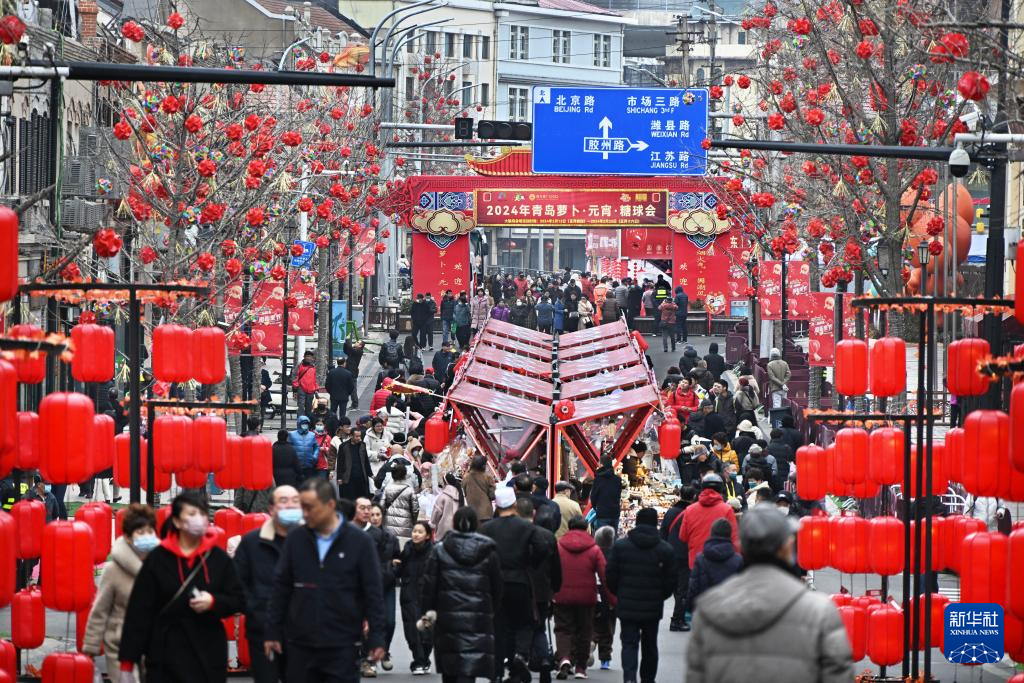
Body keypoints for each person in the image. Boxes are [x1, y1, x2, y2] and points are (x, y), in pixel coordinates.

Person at [686, 505, 855, 683]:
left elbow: (696, 676)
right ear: (788, 546)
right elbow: (838, 676)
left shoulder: (709, 609)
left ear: (741, 546)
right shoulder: (820, 611)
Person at [265, 479, 386, 683]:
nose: (304, 513)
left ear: (330, 505)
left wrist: (377, 637)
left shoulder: (359, 542)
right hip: (300, 643)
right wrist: (272, 630)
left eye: (310, 507)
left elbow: (372, 591)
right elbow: (281, 587)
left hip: (343, 644)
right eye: (302, 507)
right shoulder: (296, 539)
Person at [117, 491, 244, 682]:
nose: (198, 520)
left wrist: (214, 602)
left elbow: (239, 599)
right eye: (191, 514)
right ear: (176, 521)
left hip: (207, 652)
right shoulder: (158, 559)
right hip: (165, 653)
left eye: (202, 514)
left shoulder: (218, 558)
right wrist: (128, 660)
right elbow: (139, 611)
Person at [421, 507, 504, 683]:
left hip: (447, 617)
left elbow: (429, 585)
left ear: (453, 523)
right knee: (469, 669)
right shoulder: (488, 550)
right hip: (478, 616)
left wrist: (428, 610)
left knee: (450, 667)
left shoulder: (440, 550)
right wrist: (490, 610)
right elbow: (497, 587)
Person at [480, 488, 550, 683]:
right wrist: (530, 561)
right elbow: (542, 547)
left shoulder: (487, 528)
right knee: (524, 622)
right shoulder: (526, 527)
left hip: (496, 583)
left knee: (500, 626)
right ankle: (520, 655)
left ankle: (498, 669)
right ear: (514, 505)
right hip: (520, 580)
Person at [233, 486, 302, 683]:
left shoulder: (311, 542)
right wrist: (255, 609)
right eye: (283, 501)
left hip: (302, 635)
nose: (289, 506)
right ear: (271, 508)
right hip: (261, 631)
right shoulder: (252, 543)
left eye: (294, 501)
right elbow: (238, 584)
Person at [82, 504, 158, 678]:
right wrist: (91, 648)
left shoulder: (162, 565)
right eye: (140, 533)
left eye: (149, 531)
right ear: (129, 538)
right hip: (120, 646)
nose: (146, 537)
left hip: (155, 647)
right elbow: (100, 611)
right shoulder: (113, 570)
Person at [605, 508, 676, 683]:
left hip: (627, 603)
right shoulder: (665, 549)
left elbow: (611, 575)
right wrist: (660, 595)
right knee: (650, 644)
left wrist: (619, 592)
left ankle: (629, 678)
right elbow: (671, 580)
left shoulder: (621, 547)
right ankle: (648, 679)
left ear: (636, 522)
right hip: (652, 606)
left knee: (629, 643)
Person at [553, 516, 609, 680]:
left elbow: (552, 570)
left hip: (562, 594)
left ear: (569, 528)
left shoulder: (559, 546)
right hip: (587, 597)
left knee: (563, 629)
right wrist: (612, 599)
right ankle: (580, 667)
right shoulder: (594, 549)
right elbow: (604, 575)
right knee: (585, 631)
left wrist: (551, 593)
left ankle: (564, 658)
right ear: (586, 529)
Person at [366, 504, 401, 676]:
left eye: (377, 514)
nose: (375, 517)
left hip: (387, 585)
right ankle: (369, 657)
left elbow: (398, 560)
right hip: (368, 587)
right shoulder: (363, 538)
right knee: (369, 624)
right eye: (371, 514)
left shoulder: (391, 538)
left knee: (390, 621)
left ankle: (385, 650)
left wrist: (392, 570)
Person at [396, 521, 434, 675]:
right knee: (411, 631)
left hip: (427, 597)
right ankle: (418, 661)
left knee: (427, 632)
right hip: (409, 595)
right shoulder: (407, 550)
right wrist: (394, 566)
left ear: (427, 536)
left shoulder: (434, 552)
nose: (416, 534)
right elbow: (398, 571)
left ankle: (424, 659)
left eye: (420, 532)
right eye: (414, 531)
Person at [678, 474, 739, 569]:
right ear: (720, 488)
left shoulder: (690, 509)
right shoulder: (727, 509)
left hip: (696, 562)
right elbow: (734, 539)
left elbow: (683, 537)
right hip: (720, 563)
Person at [686, 518, 742, 616]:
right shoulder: (738, 560)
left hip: (705, 612)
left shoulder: (701, 558)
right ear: (730, 534)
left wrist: (690, 607)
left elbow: (694, 586)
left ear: (712, 532)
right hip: (730, 613)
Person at [659, 486, 696, 632]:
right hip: (685, 554)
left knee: (676, 587)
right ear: (693, 497)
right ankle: (677, 619)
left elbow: (663, 532)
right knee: (683, 588)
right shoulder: (692, 512)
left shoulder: (671, 512)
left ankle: (678, 613)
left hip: (670, 553)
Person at [591, 526, 616, 671]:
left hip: (594, 593)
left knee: (591, 623)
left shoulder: (593, 553)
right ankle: (605, 658)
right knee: (608, 627)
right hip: (610, 595)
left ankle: (592, 640)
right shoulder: (615, 555)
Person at [381, 464, 419, 540]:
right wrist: (413, 521)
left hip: (388, 525)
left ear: (392, 475)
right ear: (405, 475)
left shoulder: (387, 489)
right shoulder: (410, 490)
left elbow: (381, 506)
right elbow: (415, 510)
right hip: (406, 525)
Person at [337, 427, 373, 503]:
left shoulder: (362, 445)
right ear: (351, 436)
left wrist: (370, 474)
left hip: (361, 477)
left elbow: (366, 460)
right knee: (349, 500)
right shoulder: (343, 446)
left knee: (362, 499)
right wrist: (339, 477)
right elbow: (340, 463)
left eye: (360, 436)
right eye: (356, 436)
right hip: (348, 477)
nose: (359, 438)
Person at [588, 456, 622, 532]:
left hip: (602, 513)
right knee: (612, 538)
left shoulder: (598, 479)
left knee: (602, 538)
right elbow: (619, 495)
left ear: (602, 465)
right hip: (614, 513)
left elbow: (593, 496)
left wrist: (596, 507)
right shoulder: (617, 479)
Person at [431, 472, 464, 541]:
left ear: (445, 482)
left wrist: (433, 524)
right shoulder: (460, 494)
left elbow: (436, 512)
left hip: (444, 529)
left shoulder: (443, 496)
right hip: (459, 528)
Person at [463, 454, 496, 522]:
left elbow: (464, 492)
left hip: (472, 514)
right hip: (486, 513)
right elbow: (492, 496)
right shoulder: (488, 477)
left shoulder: (466, 477)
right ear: (483, 466)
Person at [288, 416, 319, 482]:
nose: (305, 425)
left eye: (306, 423)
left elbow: (316, 447)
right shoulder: (291, 434)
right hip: (296, 466)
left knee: (308, 486)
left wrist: (315, 456)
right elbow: (288, 448)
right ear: (299, 424)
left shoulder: (312, 435)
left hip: (309, 465)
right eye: (303, 423)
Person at [291, 351, 319, 419]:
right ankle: (300, 421)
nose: (309, 358)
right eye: (307, 356)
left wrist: (316, 388)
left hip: (311, 390)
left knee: (309, 407)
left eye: (310, 357)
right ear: (304, 357)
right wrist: (296, 387)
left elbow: (315, 378)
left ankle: (308, 423)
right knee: (301, 406)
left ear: (312, 358)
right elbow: (294, 376)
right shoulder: (299, 365)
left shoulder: (314, 366)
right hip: (301, 389)